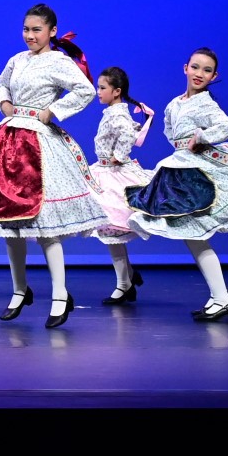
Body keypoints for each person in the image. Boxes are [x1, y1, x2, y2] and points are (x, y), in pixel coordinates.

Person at [126, 47, 228, 323]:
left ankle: (222, 298)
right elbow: (170, 132)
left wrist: (202, 137)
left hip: (192, 173)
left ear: (214, 77)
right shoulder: (174, 103)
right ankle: (219, 297)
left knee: (194, 235)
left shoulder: (205, 103)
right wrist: (184, 145)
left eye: (206, 70)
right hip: (179, 169)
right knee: (192, 236)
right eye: (195, 67)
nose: (199, 73)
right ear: (185, 68)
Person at [0, 6, 101, 328]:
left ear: (52, 31)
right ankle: (19, 289)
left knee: (45, 227)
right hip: (9, 140)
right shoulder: (17, 59)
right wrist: (4, 103)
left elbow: (85, 90)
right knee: (10, 222)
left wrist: (53, 111)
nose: (30, 35)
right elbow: (1, 82)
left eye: (36, 29)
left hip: (38, 144)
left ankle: (60, 294)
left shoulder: (58, 61)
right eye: (26, 29)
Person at [83, 66, 156, 304]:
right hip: (104, 171)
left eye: (102, 88)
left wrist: (119, 155)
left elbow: (127, 134)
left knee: (111, 228)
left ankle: (124, 284)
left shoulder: (117, 114)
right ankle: (128, 278)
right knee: (112, 230)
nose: (98, 92)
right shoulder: (114, 112)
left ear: (117, 91)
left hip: (113, 175)